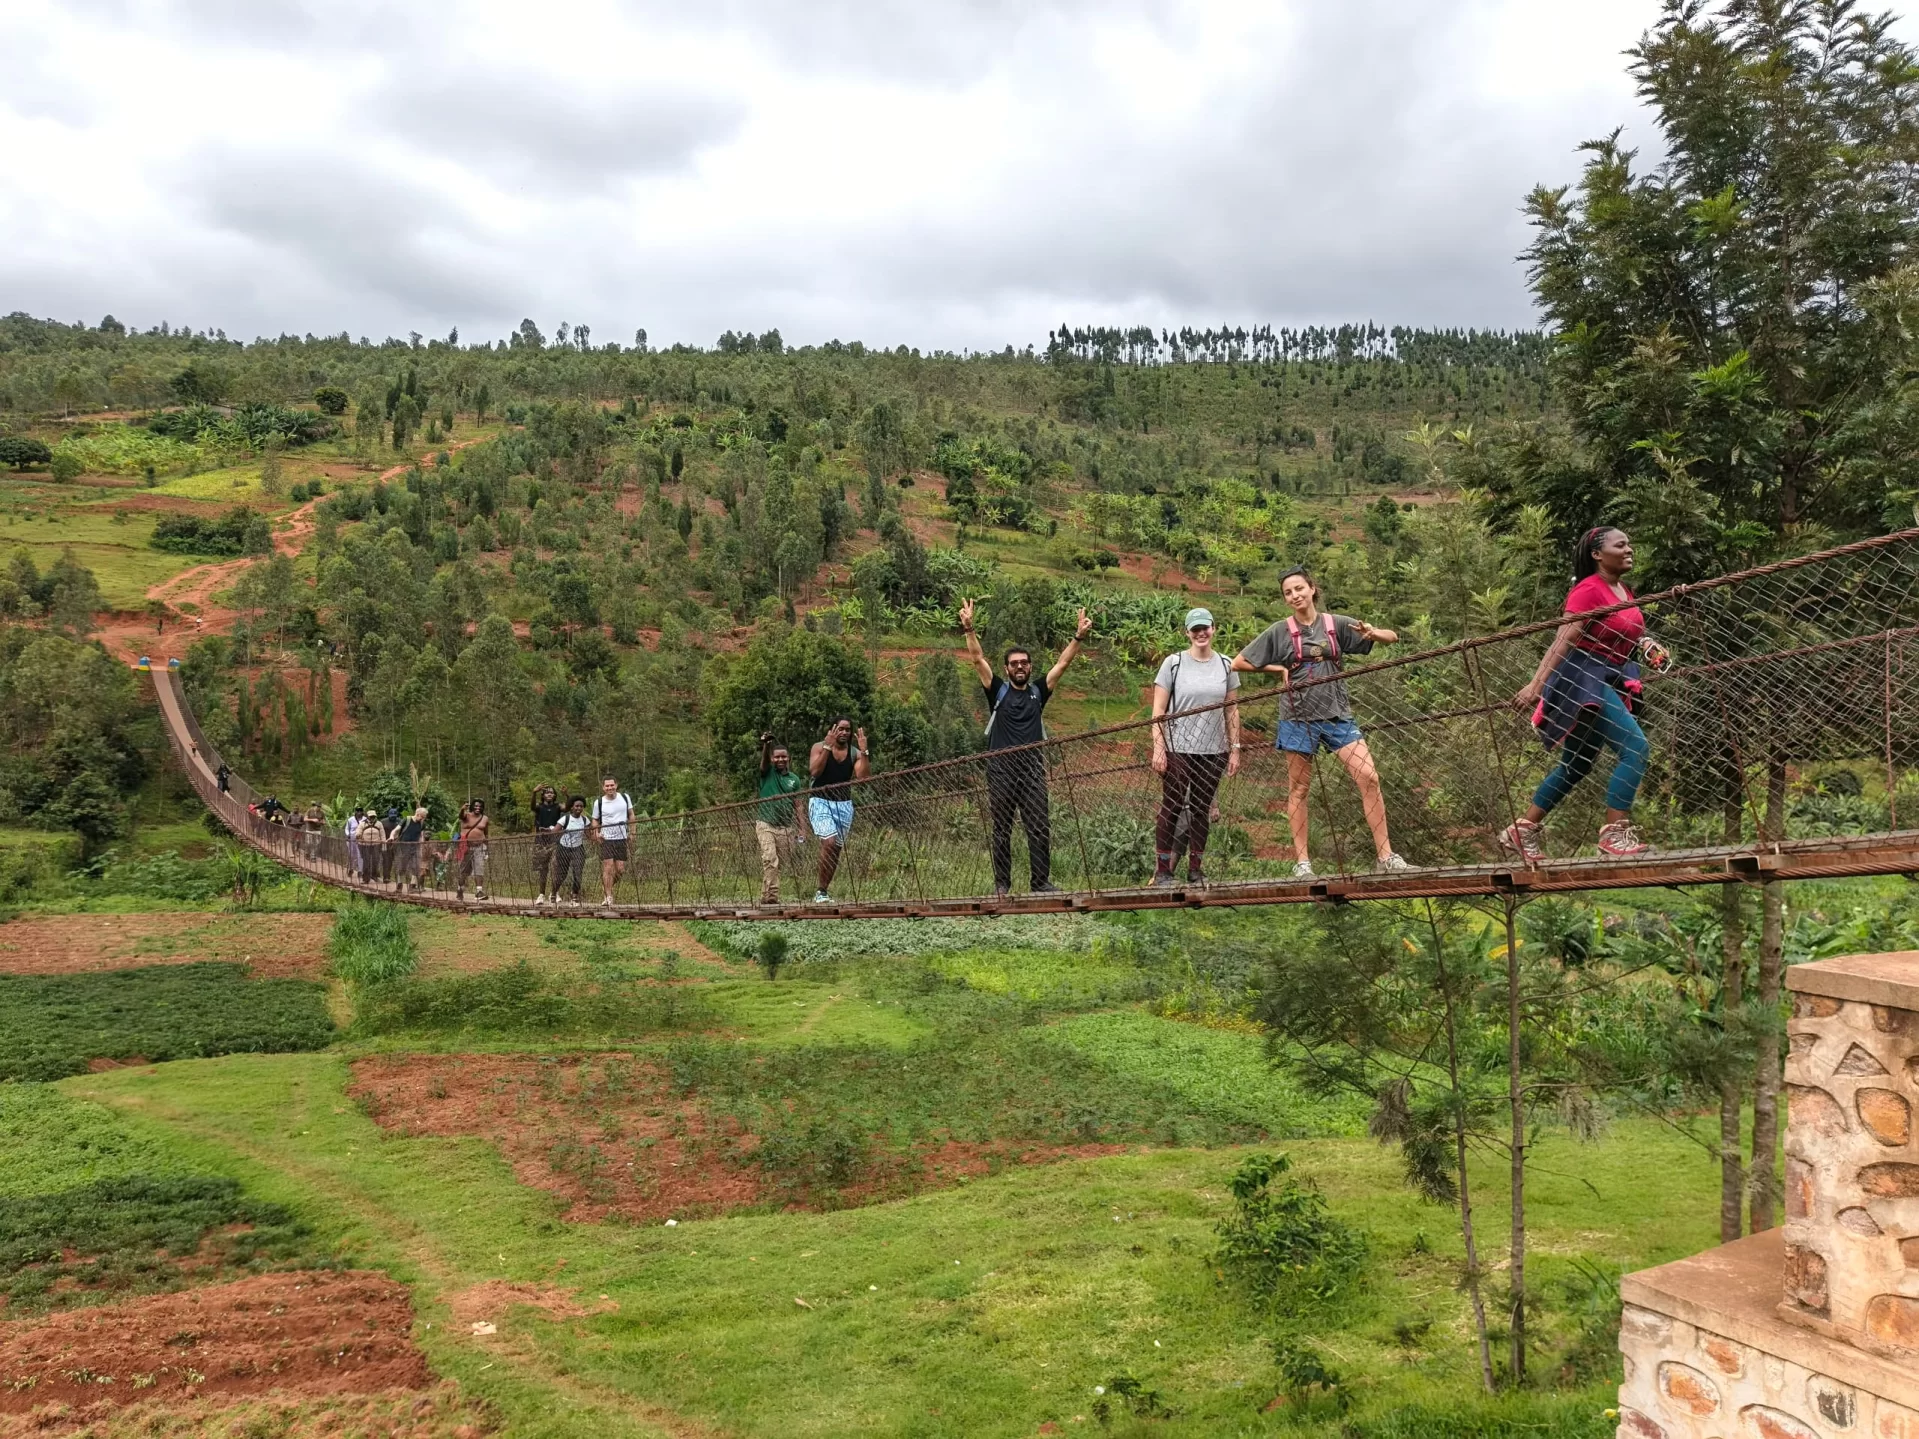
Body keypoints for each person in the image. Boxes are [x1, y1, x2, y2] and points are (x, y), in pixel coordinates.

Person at [1234, 567, 1411, 878]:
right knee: (1299, 788)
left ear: (1312, 589)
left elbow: (1391, 637)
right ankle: (1303, 863)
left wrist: (1373, 633)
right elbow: (1239, 661)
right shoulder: (1279, 631)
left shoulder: (1336, 624)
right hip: (1297, 718)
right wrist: (1277, 669)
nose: (1295, 596)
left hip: (1337, 715)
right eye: (1288, 592)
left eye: (1299, 588)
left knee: (1368, 776)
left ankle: (1386, 856)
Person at [1501, 526, 1653, 862]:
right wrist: (1536, 686)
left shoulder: (1623, 590)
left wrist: (1647, 644)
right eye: (1621, 544)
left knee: (1577, 763)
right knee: (1636, 748)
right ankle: (1615, 835)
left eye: (1630, 543)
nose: (1629, 549)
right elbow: (1563, 640)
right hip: (1583, 678)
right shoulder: (1588, 591)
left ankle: (1521, 831)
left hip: (1607, 679)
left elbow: (1626, 629)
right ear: (1597, 554)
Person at [960, 596, 1092, 896]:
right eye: (1014, 664)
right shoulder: (997, 691)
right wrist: (969, 629)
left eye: (1024, 663)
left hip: (1032, 771)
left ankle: (1040, 882)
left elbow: (1063, 663)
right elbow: (978, 660)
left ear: (1030, 667)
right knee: (1002, 828)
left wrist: (1078, 637)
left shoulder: (1038, 692)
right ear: (1006, 669)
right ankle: (1002, 884)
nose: (1020, 667)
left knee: (1039, 827)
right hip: (1001, 771)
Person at [1149, 609, 1241, 886]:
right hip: (1179, 747)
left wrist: (1235, 748)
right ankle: (1163, 871)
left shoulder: (1226, 665)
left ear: (1214, 629)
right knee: (1172, 805)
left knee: (1201, 808)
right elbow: (1158, 711)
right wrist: (1158, 748)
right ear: (1187, 632)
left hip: (1214, 749)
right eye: (1195, 629)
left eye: (1205, 628)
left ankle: (1195, 869)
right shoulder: (1173, 663)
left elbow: (1232, 709)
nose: (1201, 633)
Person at [807, 717, 869, 903]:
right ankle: (820, 891)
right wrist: (828, 747)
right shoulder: (818, 747)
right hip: (820, 800)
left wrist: (864, 750)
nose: (844, 733)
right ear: (832, 729)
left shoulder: (854, 753)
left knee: (836, 850)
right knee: (829, 842)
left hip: (843, 804)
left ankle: (823, 891)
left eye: (847, 730)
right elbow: (815, 772)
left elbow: (863, 778)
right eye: (840, 729)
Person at [754, 734, 807, 904]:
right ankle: (772, 898)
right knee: (770, 859)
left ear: (788, 758)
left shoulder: (794, 780)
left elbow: (798, 805)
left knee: (776, 865)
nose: (780, 759)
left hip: (785, 828)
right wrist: (766, 746)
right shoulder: (767, 773)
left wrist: (802, 829)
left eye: (783, 756)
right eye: (777, 757)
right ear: (772, 758)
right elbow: (763, 764)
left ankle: (765, 895)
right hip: (765, 824)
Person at [590, 777, 636, 908]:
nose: (610, 788)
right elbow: (595, 820)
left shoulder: (625, 798)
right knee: (608, 867)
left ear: (616, 785)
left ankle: (606, 886)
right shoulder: (599, 802)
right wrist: (596, 833)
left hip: (621, 837)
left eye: (612, 785)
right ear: (603, 788)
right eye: (607, 786)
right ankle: (608, 896)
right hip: (607, 838)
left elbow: (631, 815)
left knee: (620, 870)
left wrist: (632, 832)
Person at [552, 796, 589, 903]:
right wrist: (559, 832)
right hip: (564, 848)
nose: (579, 808)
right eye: (577, 806)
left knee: (578, 874)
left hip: (578, 848)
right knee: (562, 874)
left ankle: (574, 896)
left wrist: (598, 837)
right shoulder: (565, 819)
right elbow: (554, 832)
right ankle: (554, 892)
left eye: (581, 806)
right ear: (572, 807)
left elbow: (590, 834)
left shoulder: (585, 820)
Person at [530, 785, 564, 905]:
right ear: (543, 795)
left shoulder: (558, 806)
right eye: (547, 793)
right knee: (542, 869)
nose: (549, 794)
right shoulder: (539, 807)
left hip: (555, 840)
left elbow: (568, 808)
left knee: (556, 867)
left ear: (555, 795)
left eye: (552, 793)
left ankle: (555, 892)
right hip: (541, 841)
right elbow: (532, 807)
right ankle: (541, 894)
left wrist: (567, 794)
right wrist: (534, 792)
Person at [455, 799, 489, 900]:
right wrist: (462, 809)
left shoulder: (485, 818)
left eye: (480, 806)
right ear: (472, 807)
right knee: (464, 870)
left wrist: (487, 848)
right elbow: (460, 816)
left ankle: (479, 892)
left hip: (479, 846)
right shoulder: (467, 815)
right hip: (466, 847)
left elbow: (486, 833)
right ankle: (460, 889)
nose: (478, 808)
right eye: (476, 806)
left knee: (479, 868)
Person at [395, 805, 427, 893]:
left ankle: (412, 887)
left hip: (415, 847)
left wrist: (421, 846)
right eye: (422, 817)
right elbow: (396, 829)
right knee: (401, 867)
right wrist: (391, 836)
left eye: (424, 817)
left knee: (416, 867)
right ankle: (399, 886)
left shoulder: (422, 824)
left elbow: (421, 835)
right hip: (403, 847)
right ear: (417, 814)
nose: (422, 819)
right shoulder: (407, 820)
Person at [357, 808, 387, 885]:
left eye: (373, 816)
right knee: (366, 862)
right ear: (367, 816)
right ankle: (365, 879)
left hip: (376, 845)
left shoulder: (379, 824)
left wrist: (384, 842)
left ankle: (374, 876)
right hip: (365, 845)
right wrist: (358, 836)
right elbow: (358, 832)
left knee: (375, 861)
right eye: (371, 816)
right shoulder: (362, 823)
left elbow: (382, 833)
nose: (372, 818)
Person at [344, 806, 365, 879]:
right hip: (351, 839)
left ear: (362, 812)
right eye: (357, 811)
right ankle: (351, 869)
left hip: (361, 839)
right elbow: (347, 829)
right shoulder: (350, 820)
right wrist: (348, 835)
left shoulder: (365, 820)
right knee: (351, 855)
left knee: (360, 855)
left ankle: (360, 871)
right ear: (355, 812)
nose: (359, 813)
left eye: (360, 811)